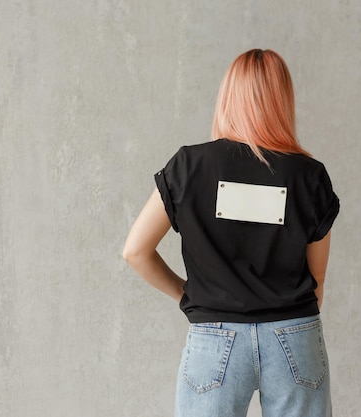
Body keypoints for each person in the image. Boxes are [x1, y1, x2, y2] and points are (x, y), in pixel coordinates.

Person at [123, 49, 340, 417]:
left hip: (215, 337)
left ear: (228, 98)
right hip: (293, 334)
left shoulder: (188, 167)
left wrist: (188, 294)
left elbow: (135, 251)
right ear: (283, 101)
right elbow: (317, 279)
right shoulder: (309, 176)